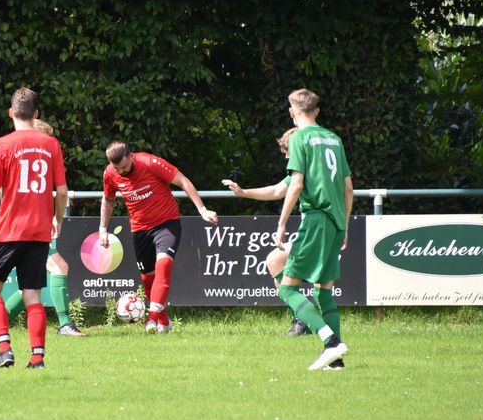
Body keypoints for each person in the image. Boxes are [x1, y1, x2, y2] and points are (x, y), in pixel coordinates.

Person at [0, 88, 68, 369]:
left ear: (11, 113)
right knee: (32, 294)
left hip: (9, 230)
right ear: (36, 114)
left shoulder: (2, 144)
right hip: (39, 232)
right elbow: (62, 191)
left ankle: (4, 349)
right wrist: (57, 220)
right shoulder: (51, 144)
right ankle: (37, 358)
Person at [99, 141, 219, 334]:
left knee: (163, 264)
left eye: (124, 166)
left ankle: (152, 319)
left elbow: (183, 181)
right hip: (139, 229)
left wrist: (202, 210)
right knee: (147, 279)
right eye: (116, 168)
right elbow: (109, 200)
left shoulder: (150, 163)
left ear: (131, 156)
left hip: (166, 223)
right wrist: (103, 228)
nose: (121, 171)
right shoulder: (110, 173)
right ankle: (164, 322)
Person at [275, 89, 353, 371]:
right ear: (317, 111)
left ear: (292, 112)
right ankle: (336, 362)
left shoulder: (299, 138)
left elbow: (296, 184)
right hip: (336, 221)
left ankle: (331, 342)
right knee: (324, 292)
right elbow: (348, 188)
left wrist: (282, 223)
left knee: (288, 289)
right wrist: (345, 225)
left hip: (316, 219)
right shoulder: (334, 139)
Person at [222, 127, 311, 337]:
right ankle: (305, 319)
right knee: (276, 263)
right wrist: (243, 192)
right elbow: (277, 190)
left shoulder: (306, 169)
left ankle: (312, 322)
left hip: (318, 229)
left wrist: (282, 224)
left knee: (279, 263)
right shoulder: (303, 169)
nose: (286, 157)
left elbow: (290, 189)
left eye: (287, 151)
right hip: (315, 229)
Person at [3, 119, 85, 336]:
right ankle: (65, 324)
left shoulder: (19, 155)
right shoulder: (32, 159)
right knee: (59, 267)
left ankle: (0, 319)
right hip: (27, 226)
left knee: (32, 282)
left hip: (25, 224)